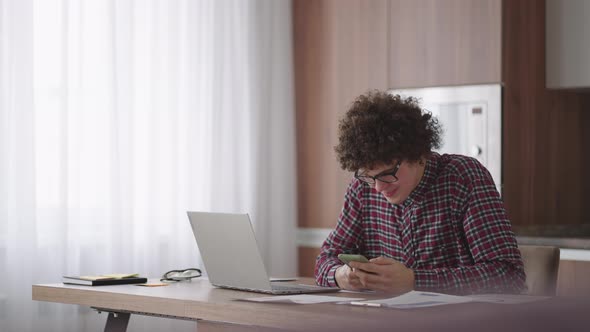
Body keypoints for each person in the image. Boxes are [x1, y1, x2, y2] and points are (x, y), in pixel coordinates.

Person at [315, 90, 526, 295]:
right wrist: (341, 275)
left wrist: (414, 281)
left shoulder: (463, 177)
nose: (378, 188)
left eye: (388, 173)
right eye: (369, 176)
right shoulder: (362, 188)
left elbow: (508, 275)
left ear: (417, 153)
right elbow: (325, 259)